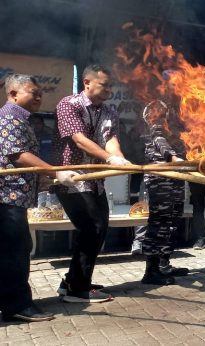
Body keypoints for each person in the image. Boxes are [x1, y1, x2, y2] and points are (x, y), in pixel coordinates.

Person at [53, 64, 129, 303]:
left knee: (99, 227)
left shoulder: (109, 111)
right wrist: (109, 158)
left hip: (95, 181)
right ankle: (77, 289)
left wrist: (118, 157)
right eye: (104, 84)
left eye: (110, 85)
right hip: (71, 179)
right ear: (87, 82)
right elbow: (79, 140)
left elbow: (110, 138)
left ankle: (73, 281)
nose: (109, 89)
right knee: (91, 227)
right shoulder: (68, 104)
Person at [0, 74, 67, 322]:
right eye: (32, 92)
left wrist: (45, 178)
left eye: (40, 92)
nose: (39, 96)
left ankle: (8, 300)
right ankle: (17, 305)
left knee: (11, 250)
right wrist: (54, 170)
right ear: (13, 94)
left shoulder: (20, 119)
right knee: (17, 250)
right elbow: (18, 155)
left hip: (15, 196)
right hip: (8, 197)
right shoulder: (9, 118)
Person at [137, 105, 190, 285]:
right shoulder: (156, 127)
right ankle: (151, 271)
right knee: (159, 224)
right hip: (160, 181)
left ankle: (164, 265)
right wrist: (174, 159)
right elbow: (161, 143)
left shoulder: (173, 127)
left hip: (176, 180)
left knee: (173, 224)